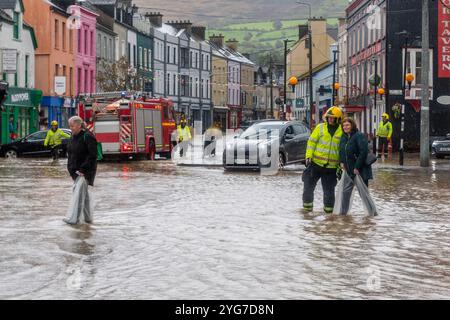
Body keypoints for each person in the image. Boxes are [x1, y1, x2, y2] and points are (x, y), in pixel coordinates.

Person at [302, 106, 344, 214]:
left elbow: (344, 149)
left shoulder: (342, 131)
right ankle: (307, 214)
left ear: (338, 119)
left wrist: (341, 165)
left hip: (331, 168)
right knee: (308, 188)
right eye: (328, 117)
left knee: (329, 193)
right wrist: (308, 156)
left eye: (332, 117)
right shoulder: (320, 127)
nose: (330, 119)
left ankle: (329, 218)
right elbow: (311, 142)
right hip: (315, 164)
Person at [65, 116, 98, 224]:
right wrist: (70, 169)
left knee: (79, 195)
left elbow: (93, 155)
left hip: (85, 172)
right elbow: (70, 154)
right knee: (84, 195)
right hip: (75, 172)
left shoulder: (88, 136)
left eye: (72, 126)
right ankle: (88, 219)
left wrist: (83, 170)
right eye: (69, 126)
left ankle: (75, 219)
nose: (71, 128)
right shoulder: (72, 136)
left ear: (79, 125)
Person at [339, 117, 373, 187]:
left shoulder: (359, 135)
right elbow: (341, 150)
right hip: (348, 169)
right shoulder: (343, 136)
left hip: (361, 169)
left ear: (352, 125)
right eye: (343, 125)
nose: (345, 127)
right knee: (345, 192)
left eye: (347, 125)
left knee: (364, 193)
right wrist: (342, 162)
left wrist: (357, 167)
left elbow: (363, 152)